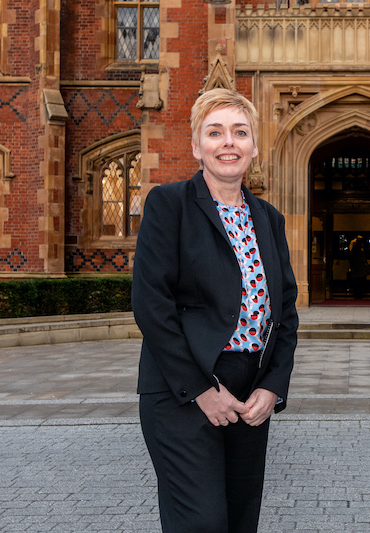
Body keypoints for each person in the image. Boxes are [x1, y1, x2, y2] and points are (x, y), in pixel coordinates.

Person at [132, 88, 298, 533]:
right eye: (215, 132)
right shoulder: (169, 205)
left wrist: (273, 386)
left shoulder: (269, 218)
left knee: (241, 520)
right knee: (201, 522)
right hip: (182, 388)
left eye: (240, 132)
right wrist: (202, 390)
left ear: (254, 147)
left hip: (249, 392)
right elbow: (151, 306)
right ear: (196, 146)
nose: (229, 142)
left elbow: (285, 312)